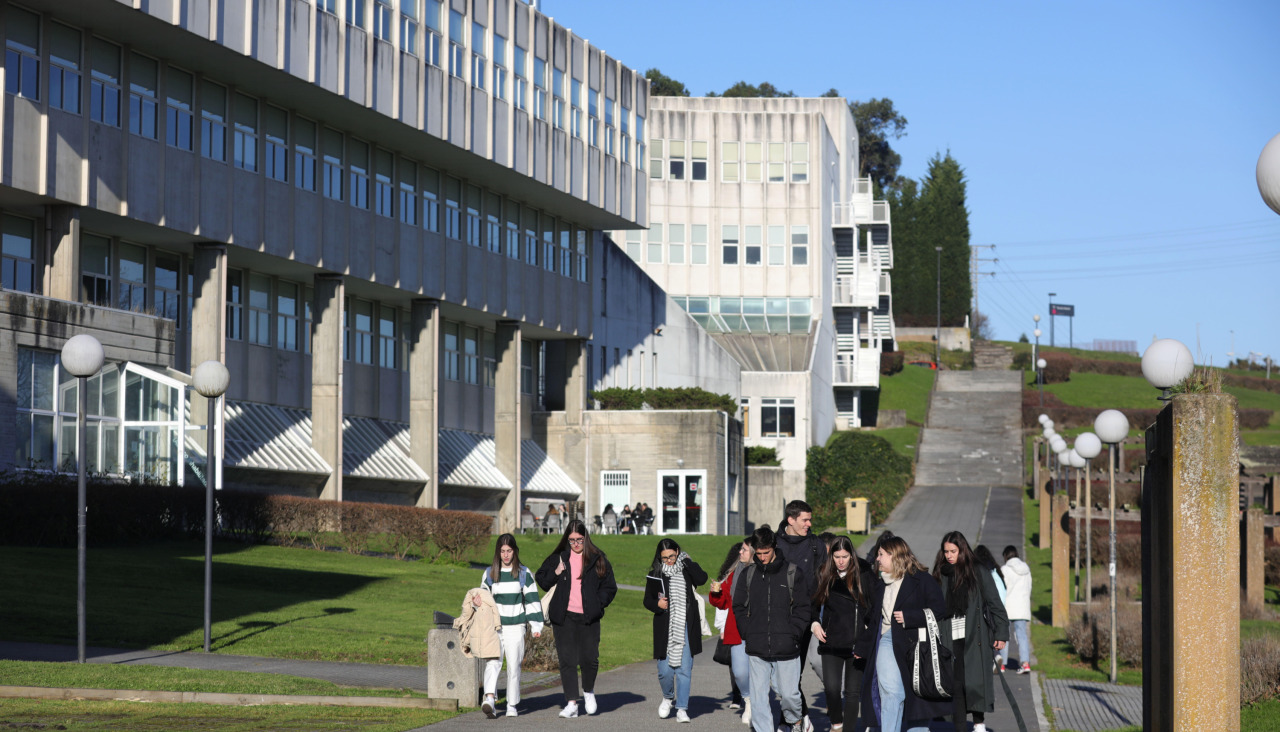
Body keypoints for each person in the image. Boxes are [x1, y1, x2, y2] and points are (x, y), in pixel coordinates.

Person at [856, 535, 949, 732]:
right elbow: (874, 620)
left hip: (917, 645)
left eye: (881, 555)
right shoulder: (880, 584)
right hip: (888, 639)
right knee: (891, 692)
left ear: (894, 555)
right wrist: (862, 646)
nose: (877, 559)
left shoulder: (922, 579)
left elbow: (940, 609)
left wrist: (910, 616)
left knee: (919, 698)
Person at [536, 520, 618, 718]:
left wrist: (599, 603)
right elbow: (542, 579)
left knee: (589, 658)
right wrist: (556, 573)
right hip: (563, 617)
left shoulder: (597, 559)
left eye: (579, 540)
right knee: (567, 660)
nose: (575, 544)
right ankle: (572, 703)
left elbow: (610, 587)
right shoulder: (559, 558)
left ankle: (588, 691)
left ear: (585, 537)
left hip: (589, 617)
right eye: (571, 540)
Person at [733, 526, 811, 732]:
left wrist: (794, 633)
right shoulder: (748, 574)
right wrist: (747, 632)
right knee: (758, 699)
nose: (762, 557)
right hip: (756, 646)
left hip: (787, 645)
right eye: (758, 554)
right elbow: (738, 606)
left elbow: (804, 608)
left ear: (774, 547)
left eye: (766, 552)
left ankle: (796, 721)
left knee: (789, 695)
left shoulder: (793, 572)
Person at [932, 531, 1008, 732]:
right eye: (946, 551)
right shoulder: (941, 573)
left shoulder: (978, 571)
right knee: (956, 688)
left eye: (953, 551)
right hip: (948, 638)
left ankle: (979, 724)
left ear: (962, 550)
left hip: (974, 638)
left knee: (974, 683)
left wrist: (1001, 633)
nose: (949, 555)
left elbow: (995, 603)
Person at [774, 499, 827, 730]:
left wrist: (817, 617)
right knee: (778, 674)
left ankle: (793, 718)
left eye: (810, 519)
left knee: (794, 671)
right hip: (776, 617)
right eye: (805, 519)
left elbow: (825, 582)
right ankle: (798, 715)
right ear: (791, 520)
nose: (809, 523)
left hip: (805, 617)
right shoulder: (774, 544)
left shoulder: (816, 546)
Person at [478, 534, 544, 718]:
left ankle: (512, 705)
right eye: (502, 551)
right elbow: (484, 599)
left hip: (516, 626)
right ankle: (489, 699)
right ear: (498, 553)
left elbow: (532, 600)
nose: (506, 555)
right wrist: (477, 600)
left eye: (509, 551)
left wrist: (536, 626)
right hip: (495, 627)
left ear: (514, 551)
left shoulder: (523, 573)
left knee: (514, 666)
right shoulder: (490, 574)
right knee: (493, 662)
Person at [643, 538, 708, 723]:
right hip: (665, 627)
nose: (669, 560)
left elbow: (701, 578)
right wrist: (657, 604)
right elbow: (647, 600)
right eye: (665, 558)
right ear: (660, 557)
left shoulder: (687, 569)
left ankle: (682, 709)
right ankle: (668, 696)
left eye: (672, 556)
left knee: (684, 669)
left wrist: (687, 560)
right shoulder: (656, 574)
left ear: (678, 551)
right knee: (664, 671)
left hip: (687, 624)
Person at [811, 535, 871, 732]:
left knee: (853, 692)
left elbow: (874, 605)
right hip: (831, 641)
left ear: (851, 556)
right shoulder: (824, 573)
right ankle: (836, 723)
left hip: (856, 641)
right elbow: (812, 603)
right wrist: (815, 623)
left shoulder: (864, 574)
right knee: (831, 688)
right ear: (832, 557)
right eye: (837, 556)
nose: (841, 561)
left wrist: (868, 628)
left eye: (845, 556)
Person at [709, 538, 756, 724]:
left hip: (759, 630)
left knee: (760, 672)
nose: (740, 553)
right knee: (739, 672)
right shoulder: (734, 574)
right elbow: (723, 603)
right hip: (737, 630)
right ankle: (748, 699)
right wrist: (716, 592)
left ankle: (757, 704)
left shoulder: (763, 572)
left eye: (744, 550)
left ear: (753, 552)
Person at [973, 544, 1008, 674]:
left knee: (986, 634)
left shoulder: (979, 571)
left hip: (988, 608)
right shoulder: (996, 570)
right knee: (998, 635)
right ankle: (999, 658)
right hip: (1001, 606)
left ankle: (994, 658)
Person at [999, 545, 1034, 674]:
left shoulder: (1004, 569)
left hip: (1007, 607)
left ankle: (1002, 664)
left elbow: (1002, 589)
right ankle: (1025, 664)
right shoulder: (1026, 569)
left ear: (1006, 556)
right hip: (1022, 607)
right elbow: (1029, 587)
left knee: (1004, 636)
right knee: (1022, 636)